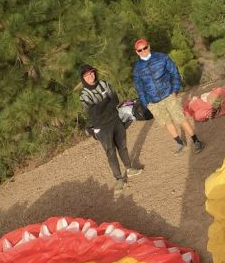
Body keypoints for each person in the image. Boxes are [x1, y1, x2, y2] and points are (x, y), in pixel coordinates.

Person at [132, 37, 205, 155]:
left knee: (180, 118)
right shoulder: (137, 68)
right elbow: (139, 87)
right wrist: (146, 103)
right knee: (166, 122)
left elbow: (174, 73)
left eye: (145, 48)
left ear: (149, 46)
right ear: (137, 52)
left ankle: (196, 140)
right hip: (153, 101)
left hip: (168, 94)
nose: (143, 51)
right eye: (140, 50)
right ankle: (179, 143)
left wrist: (175, 90)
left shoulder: (162, 58)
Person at [79, 63, 143, 193]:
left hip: (115, 120)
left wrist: (103, 104)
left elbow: (115, 100)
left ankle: (129, 168)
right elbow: (93, 113)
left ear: (94, 72)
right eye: (86, 75)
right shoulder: (84, 95)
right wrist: (106, 102)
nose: (90, 76)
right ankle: (119, 179)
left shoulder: (104, 83)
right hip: (101, 127)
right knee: (111, 152)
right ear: (83, 78)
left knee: (122, 146)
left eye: (91, 73)